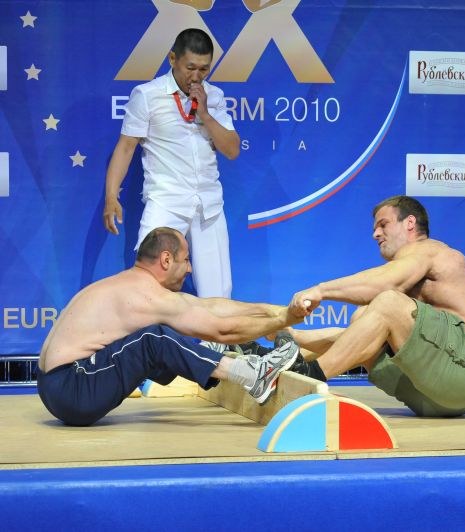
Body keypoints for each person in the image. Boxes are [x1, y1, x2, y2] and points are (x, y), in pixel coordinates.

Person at [37, 227, 302, 427]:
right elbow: (221, 329)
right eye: (186, 260)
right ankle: (254, 375)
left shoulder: (135, 285)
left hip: (58, 387)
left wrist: (274, 311)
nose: (189, 269)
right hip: (71, 389)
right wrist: (283, 321)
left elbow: (207, 307)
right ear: (166, 260)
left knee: (162, 336)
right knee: (155, 338)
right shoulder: (144, 297)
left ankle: (208, 355)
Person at [285, 195, 465, 417]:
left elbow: (386, 283)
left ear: (410, 223)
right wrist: (294, 338)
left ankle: (309, 377)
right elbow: (354, 339)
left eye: (383, 224)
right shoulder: (413, 270)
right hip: (430, 397)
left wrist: (320, 290)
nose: (375, 234)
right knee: (363, 322)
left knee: (387, 302)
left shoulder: (429, 249)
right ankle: (288, 357)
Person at [103, 28, 239, 298]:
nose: (196, 76)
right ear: (172, 59)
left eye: (204, 69)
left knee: (219, 292)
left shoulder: (215, 97)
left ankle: (215, 343)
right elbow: (126, 147)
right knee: (149, 286)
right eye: (190, 67)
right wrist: (110, 196)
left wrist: (206, 115)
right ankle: (148, 341)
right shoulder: (146, 95)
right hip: (166, 201)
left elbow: (232, 150)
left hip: (208, 205)